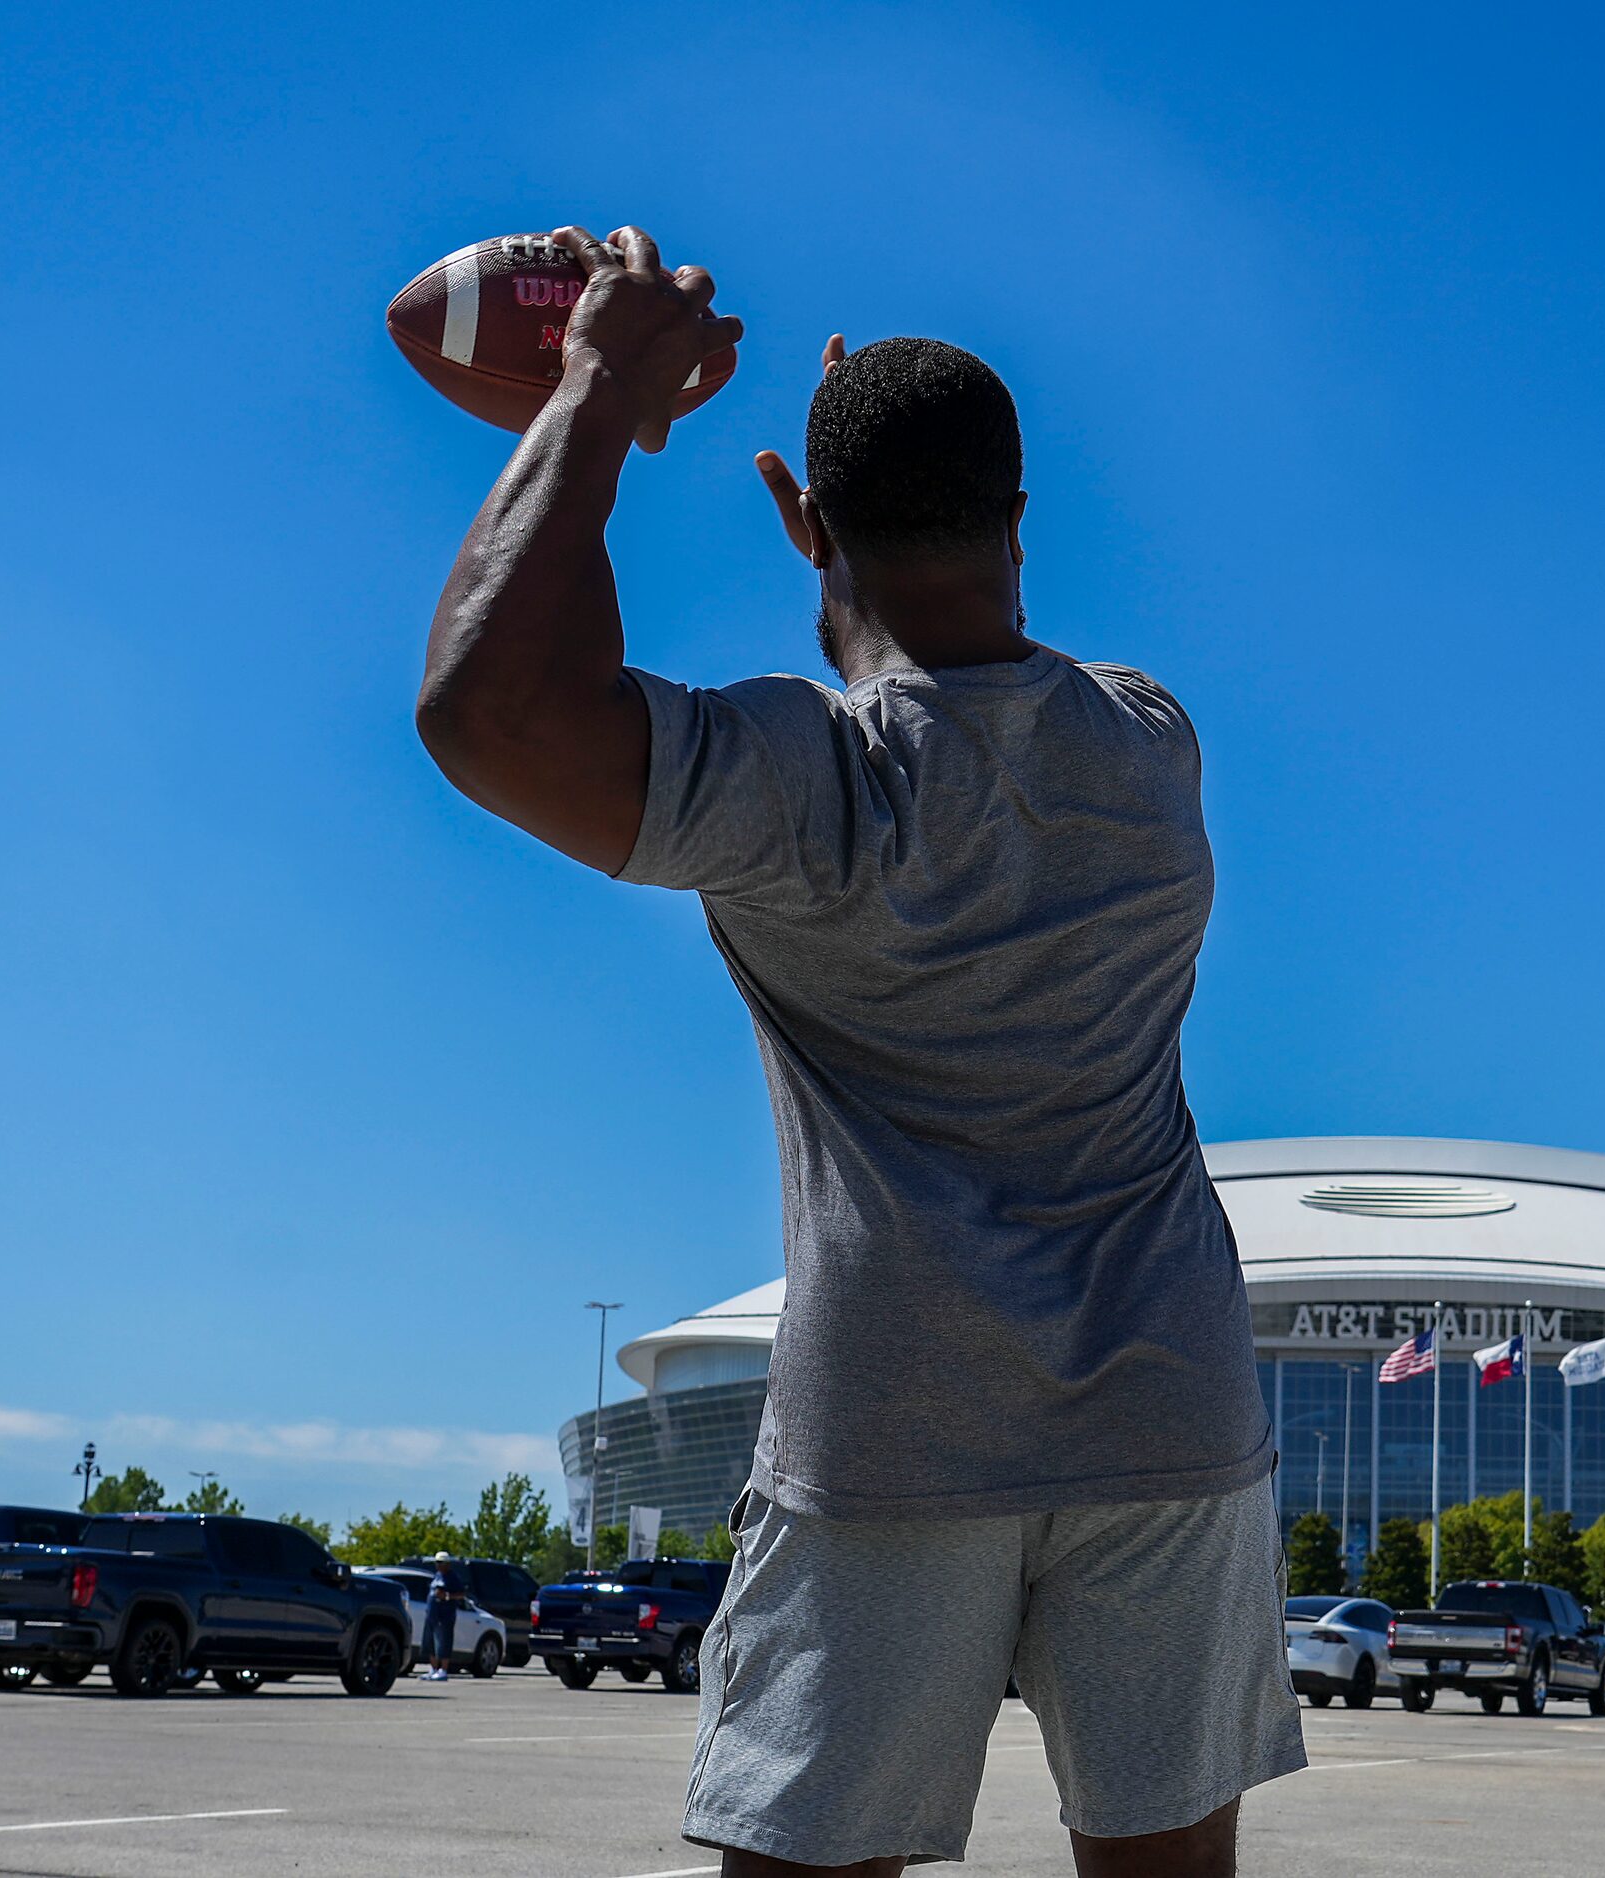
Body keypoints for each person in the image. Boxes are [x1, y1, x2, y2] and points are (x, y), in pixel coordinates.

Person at [415, 227, 1300, 1876]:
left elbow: (491, 710)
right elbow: (959, 667)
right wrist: (869, 511)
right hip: (1165, 1409)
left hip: (900, 1421)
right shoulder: (1151, 742)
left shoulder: (802, 786)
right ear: (1022, 517)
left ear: (809, 530)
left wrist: (599, 390)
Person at [420, 1557, 465, 1683]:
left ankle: (443, 1670)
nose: (437, 1565)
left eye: (440, 1563)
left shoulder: (453, 1577)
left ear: (447, 1564)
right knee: (430, 1643)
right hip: (432, 1615)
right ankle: (433, 1669)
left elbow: (461, 1594)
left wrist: (447, 1596)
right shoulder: (437, 1575)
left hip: (445, 1616)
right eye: (437, 1562)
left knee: (443, 1642)